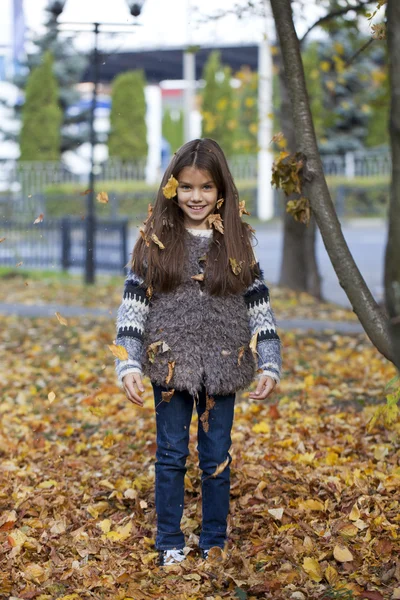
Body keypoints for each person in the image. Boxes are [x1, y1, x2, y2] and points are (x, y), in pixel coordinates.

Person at [114, 138, 282, 566]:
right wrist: (128, 361)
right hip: (170, 369)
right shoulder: (156, 241)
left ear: (221, 190)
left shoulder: (237, 242)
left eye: (206, 187)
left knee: (216, 458)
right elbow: (133, 309)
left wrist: (269, 361)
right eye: (186, 187)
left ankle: (213, 540)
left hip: (223, 367)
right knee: (170, 454)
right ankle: (169, 540)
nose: (196, 197)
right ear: (173, 189)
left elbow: (259, 308)